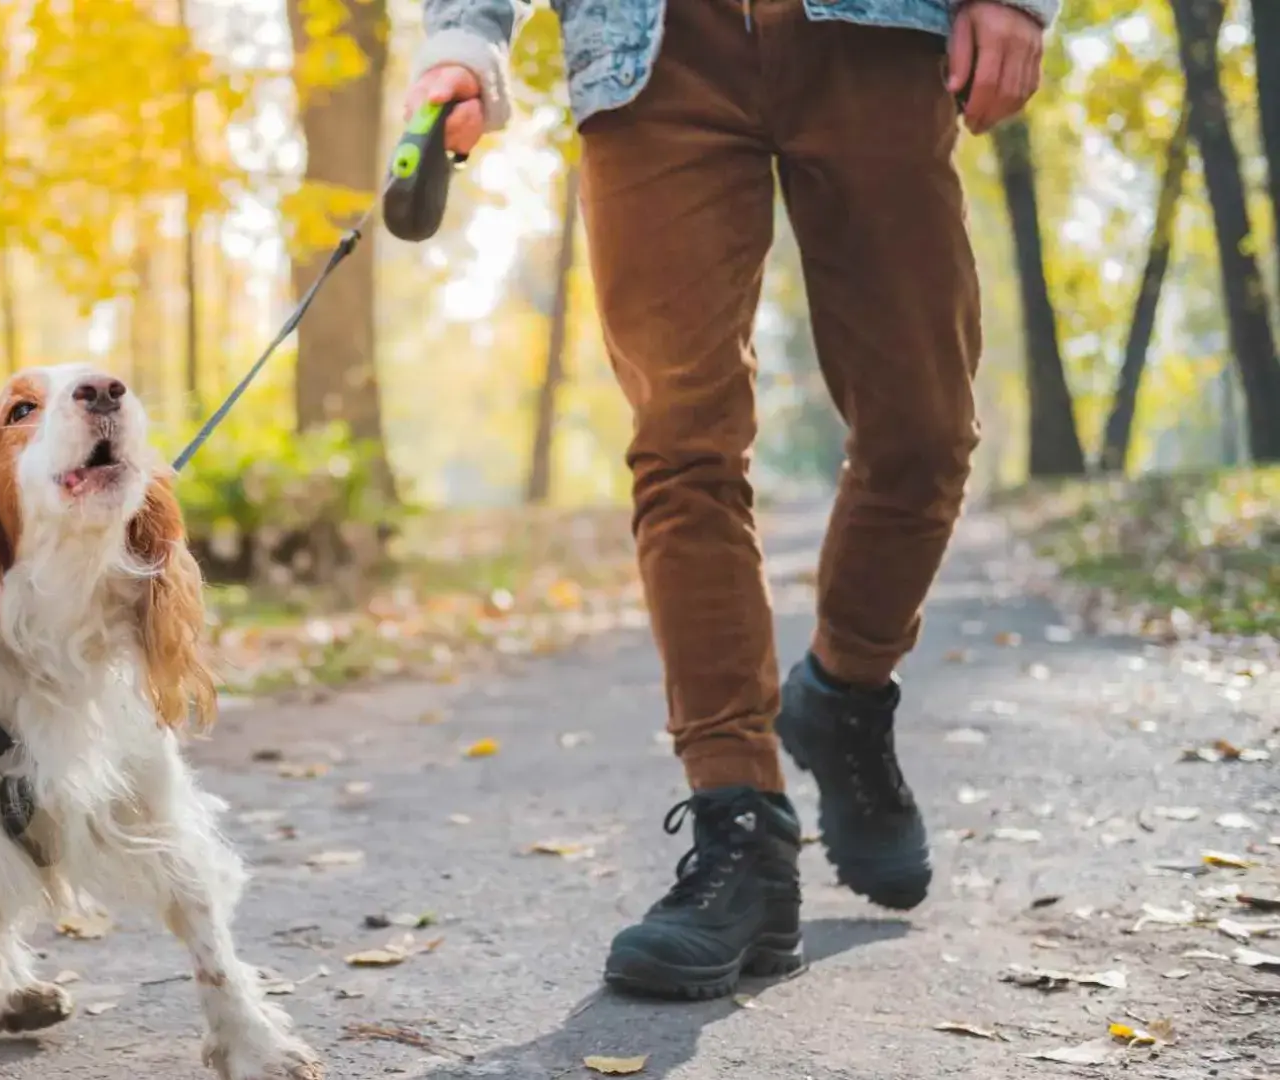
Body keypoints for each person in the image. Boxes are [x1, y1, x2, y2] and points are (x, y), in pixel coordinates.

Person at [405, 0, 1052, 999]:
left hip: (873, 35)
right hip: (649, 54)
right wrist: (465, 36)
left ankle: (843, 694)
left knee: (923, 430)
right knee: (682, 445)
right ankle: (739, 827)